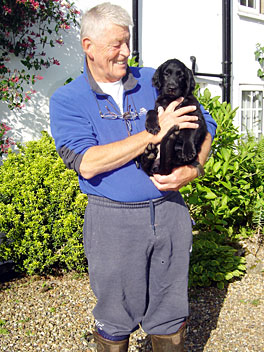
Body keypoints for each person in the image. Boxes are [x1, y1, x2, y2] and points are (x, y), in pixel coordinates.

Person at [49, 3, 217, 351]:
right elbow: (88, 162)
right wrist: (154, 134)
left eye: (128, 43)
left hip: (170, 211)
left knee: (170, 311)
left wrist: (193, 167)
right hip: (113, 220)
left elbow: (207, 124)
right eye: (116, 45)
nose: (126, 52)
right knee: (115, 315)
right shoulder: (68, 100)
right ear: (88, 46)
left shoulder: (153, 80)